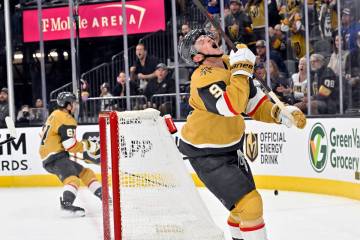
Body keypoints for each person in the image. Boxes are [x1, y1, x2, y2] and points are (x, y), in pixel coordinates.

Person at [178, 29, 306, 240]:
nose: (209, 39)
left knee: (241, 210)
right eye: (201, 41)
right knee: (251, 206)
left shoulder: (230, 63)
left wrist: (279, 113)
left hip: (231, 147)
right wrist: (241, 70)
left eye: (208, 37)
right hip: (206, 153)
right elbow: (231, 106)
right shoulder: (202, 78)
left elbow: (252, 103)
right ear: (197, 57)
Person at [39, 92, 102, 216]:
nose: (76, 106)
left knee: (85, 172)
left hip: (55, 156)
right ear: (68, 106)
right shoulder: (66, 118)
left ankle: (104, 196)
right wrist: (89, 146)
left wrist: (60, 149)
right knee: (72, 178)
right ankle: (66, 204)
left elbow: (42, 133)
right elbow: (71, 146)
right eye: (73, 103)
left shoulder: (54, 114)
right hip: (55, 157)